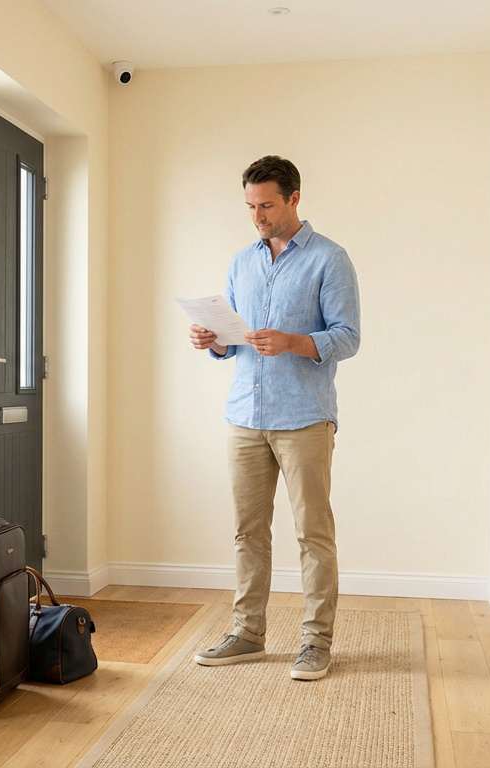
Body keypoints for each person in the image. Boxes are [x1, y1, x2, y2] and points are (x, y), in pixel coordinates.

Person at [188, 155, 360, 681]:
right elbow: (235, 340)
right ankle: (248, 633)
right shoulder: (242, 262)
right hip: (245, 415)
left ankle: (316, 642)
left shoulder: (330, 259)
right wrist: (212, 342)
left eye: (265, 205)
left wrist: (295, 341)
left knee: (313, 532)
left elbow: (348, 337)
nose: (257, 215)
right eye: (250, 206)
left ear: (293, 199)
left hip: (305, 417)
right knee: (248, 533)